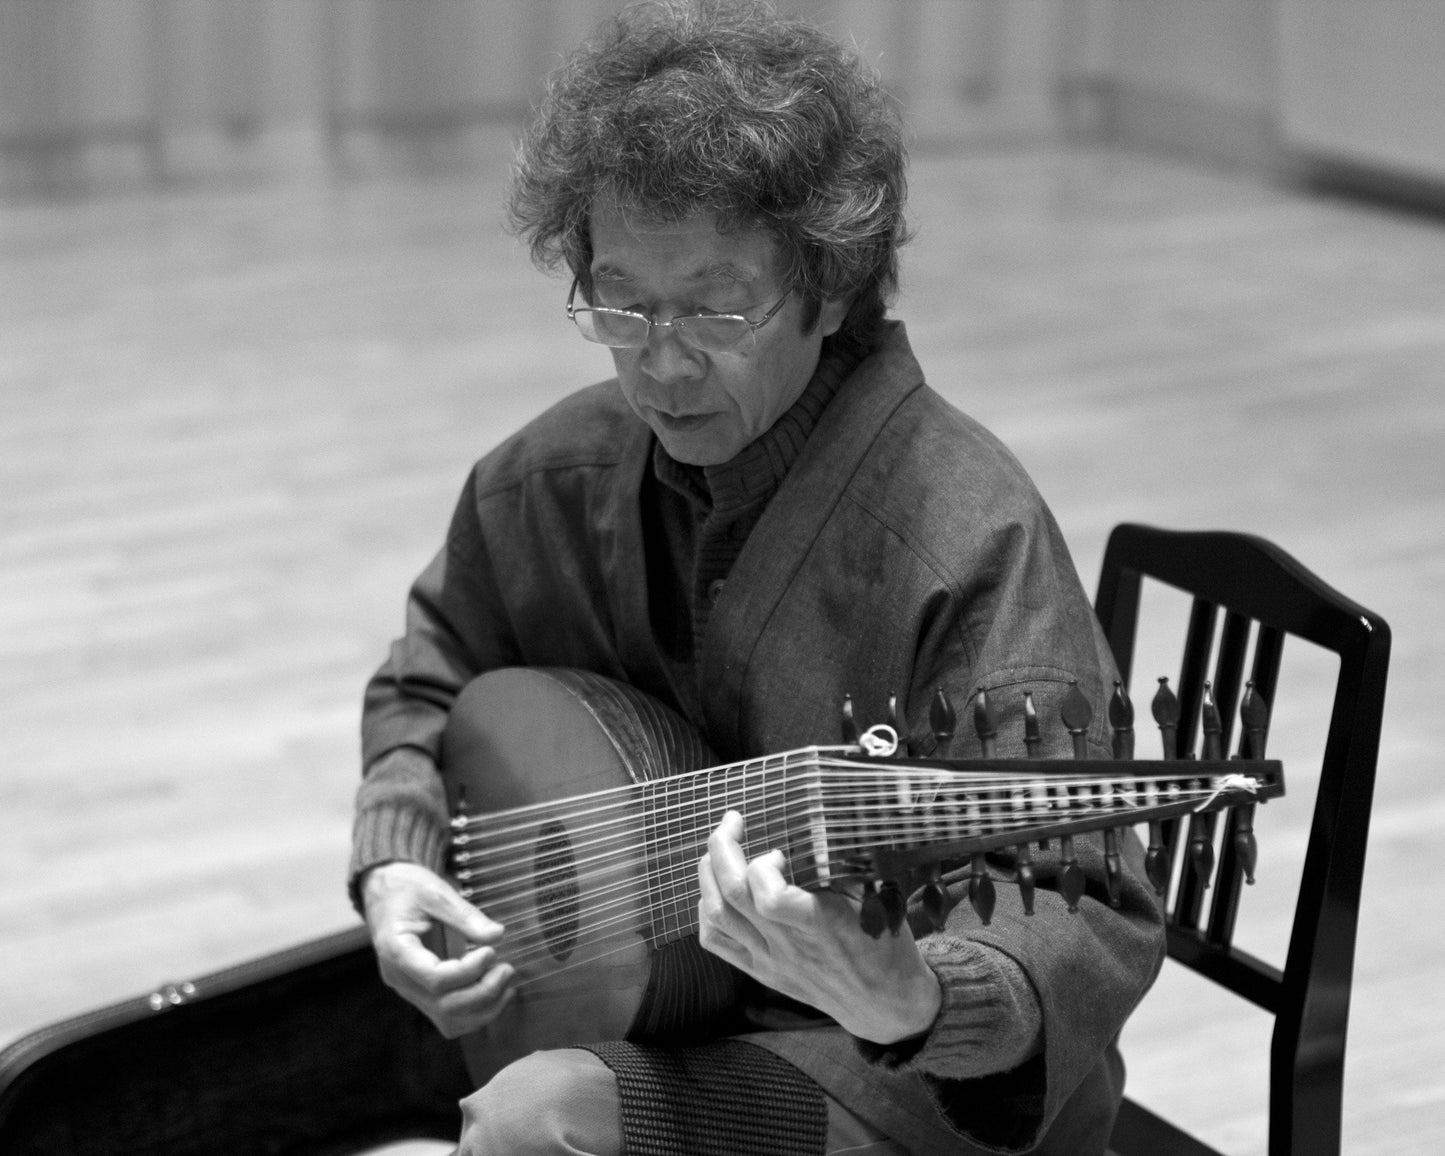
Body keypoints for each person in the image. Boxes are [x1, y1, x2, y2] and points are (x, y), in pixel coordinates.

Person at [350, 2, 1166, 1153]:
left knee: (531, 1128)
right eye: (622, 301)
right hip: (673, 1016)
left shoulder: (965, 537)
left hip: (902, 1086)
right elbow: (427, 675)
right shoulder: (555, 480)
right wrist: (396, 857)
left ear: (828, 287)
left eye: (717, 307)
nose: (662, 360)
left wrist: (920, 996)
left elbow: (1086, 907)